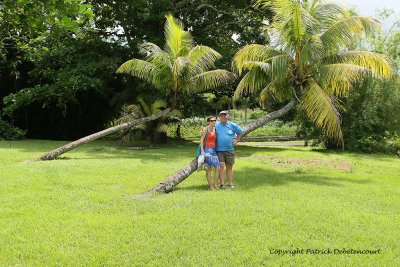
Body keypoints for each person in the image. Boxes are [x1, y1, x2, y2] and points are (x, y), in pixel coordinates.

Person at [215, 110, 244, 189]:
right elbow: (208, 129)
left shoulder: (232, 125)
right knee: (221, 166)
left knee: (229, 167)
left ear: (227, 116)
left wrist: (237, 140)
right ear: (219, 117)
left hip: (229, 149)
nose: (223, 117)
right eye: (222, 116)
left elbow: (241, 132)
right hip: (219, 150)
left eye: (225, 115)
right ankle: (222, 184)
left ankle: (230, 183)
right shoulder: (216, 124)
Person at [199, 116, 220, 190]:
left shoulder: (215, 129)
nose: (214, 121)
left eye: (215, 120)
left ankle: (215, 184)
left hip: (213, 150)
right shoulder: (205, 129)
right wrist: (202, 151)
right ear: (208, 122)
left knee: (218, 167)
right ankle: (211, 186)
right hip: (207, 150)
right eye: (212, 120)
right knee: (209, 168)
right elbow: (201, 140)